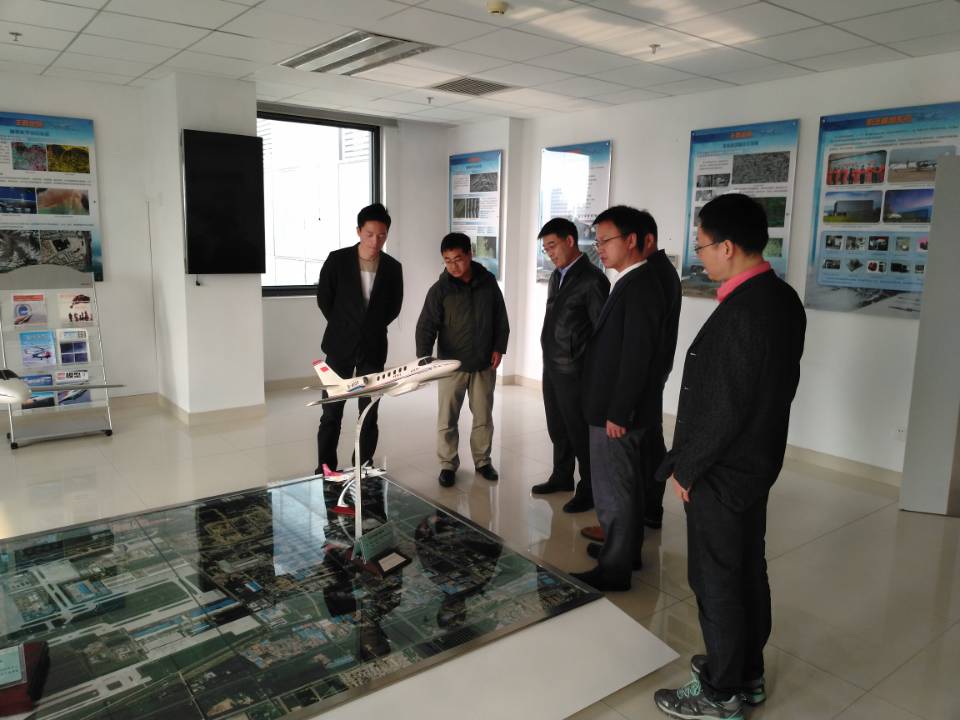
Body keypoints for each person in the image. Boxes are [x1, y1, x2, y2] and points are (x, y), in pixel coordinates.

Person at [653, 194, 806, 720]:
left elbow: (724, 408)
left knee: (716, 578)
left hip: (723, 470)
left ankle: (720, 693)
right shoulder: (781, 298)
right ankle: (747, 671)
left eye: (701, 247)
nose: (700, 257)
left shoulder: (744, 312)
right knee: (746, 570)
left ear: (728, 246)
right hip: (756, 462)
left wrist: (688, 468)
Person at [571, 206, 679, 593]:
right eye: (596, 240)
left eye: (605, 240)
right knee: (623, 488)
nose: (598, 247)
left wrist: (619, 411)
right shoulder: (633, 280)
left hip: (616, 414)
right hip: (617, 407)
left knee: (615, 489)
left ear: (631, 240)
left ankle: (614, 569)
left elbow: (638, 355)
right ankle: (624, 552)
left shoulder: (641, 285)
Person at [315, 203, 403, 473]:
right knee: (331, 412)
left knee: (369, 412)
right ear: (358, 231)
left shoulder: (393, 267)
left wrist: (369, 328)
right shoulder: (337, 260)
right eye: (369, 234)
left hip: (373, 346)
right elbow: (325, 299)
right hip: (339, 345)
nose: (375, 241)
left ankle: (362, 466)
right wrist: (346, 326)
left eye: (382, 235)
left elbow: (394, 307)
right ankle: (325, 468)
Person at [416, 233, 509, 488]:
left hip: (483, 363)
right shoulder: (440, 290)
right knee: (447, 419)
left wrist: (499, 347)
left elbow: (500, 318)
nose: (453, 266)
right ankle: (447, 464)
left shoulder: (488, 283)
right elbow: (426, 325)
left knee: (483, 417)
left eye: (458, 259)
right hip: (451, 365)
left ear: (470, 254)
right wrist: (424, 358)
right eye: (447, 261)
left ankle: (483, 461)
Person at [532, 218, 609, 513]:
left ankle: (588, 488)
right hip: (552, 365)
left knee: (579, 432)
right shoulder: (557, 276)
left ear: (570, 241)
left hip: (576, 371)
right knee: (557, 427)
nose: (549, 253)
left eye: (553, 245)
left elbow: (601, 332)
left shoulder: (592, 279)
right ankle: (561, 476)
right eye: (546, 248)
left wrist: (593, 373)